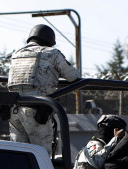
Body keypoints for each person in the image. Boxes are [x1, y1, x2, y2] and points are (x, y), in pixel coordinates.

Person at [6, 24, 80, 155]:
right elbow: (73, 76)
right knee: (42, 156)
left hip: (14, 110)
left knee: (18, 155)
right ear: (50, 41)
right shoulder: (52, 53)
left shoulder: (16, 54)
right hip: (37, 110)